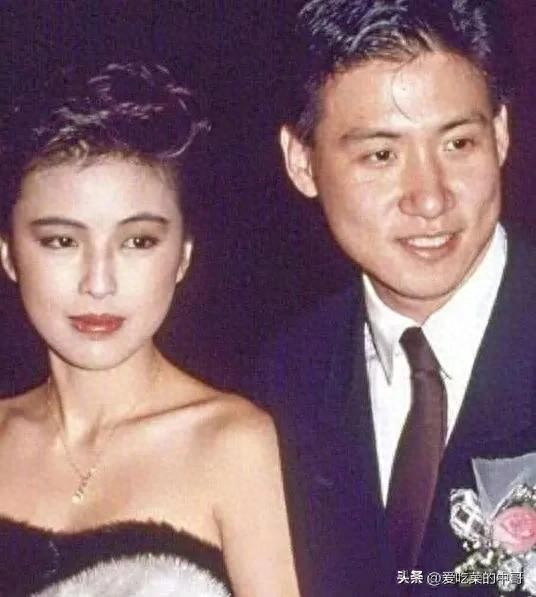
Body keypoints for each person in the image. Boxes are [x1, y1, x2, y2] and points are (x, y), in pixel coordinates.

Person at [247, 1, 535, 596]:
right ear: (302, 163)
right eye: (382, 155)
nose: (429, 198)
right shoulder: (282, 383)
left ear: (502, 133)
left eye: (458, 143)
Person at [0, 62, 300, 597]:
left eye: (137, 241)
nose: (98, 283)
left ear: (182, 256)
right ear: (9, 255)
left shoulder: (234, 446)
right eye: (61, 241)